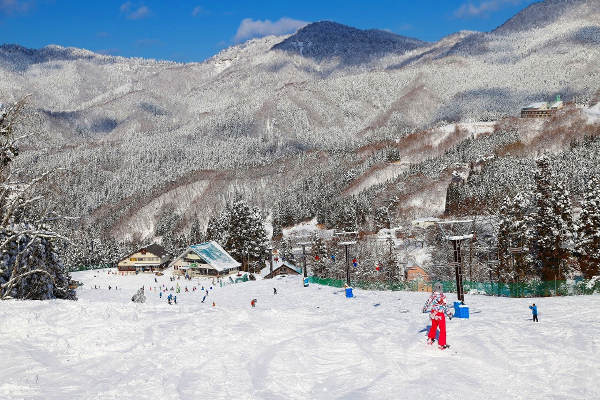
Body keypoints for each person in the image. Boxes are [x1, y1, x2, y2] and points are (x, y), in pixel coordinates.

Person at [422, 282, 453, 350]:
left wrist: (424, 308)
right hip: (440, 313)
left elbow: (428, 302)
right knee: (442, 329)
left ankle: (430, 338)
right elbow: (445, 306)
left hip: (433, 313)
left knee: (434, 326)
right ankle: (442, 344)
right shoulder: (442, 297)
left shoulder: (432, 295)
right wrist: (449, 314)